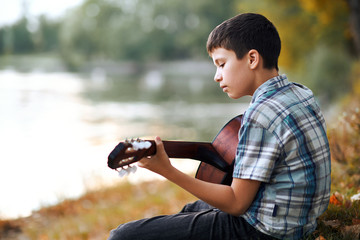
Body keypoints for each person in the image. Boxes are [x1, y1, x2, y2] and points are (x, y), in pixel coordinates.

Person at [107, 13, 331, 240]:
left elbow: (236, 203)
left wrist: (167, 170)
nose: (217, 76)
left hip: (267, 232)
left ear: (252, 59)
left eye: (222, 64)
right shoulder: (300, 93)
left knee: (122, 236)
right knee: (190, 212)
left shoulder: (260, 115)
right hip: (301, 221)